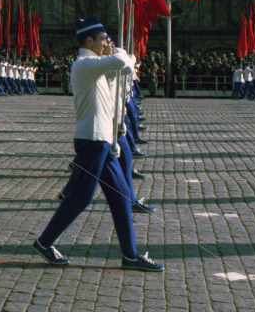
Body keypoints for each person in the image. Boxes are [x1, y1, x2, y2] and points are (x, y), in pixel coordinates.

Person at [32, 15, 162, 272]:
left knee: (122, 197)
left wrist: (117, 57)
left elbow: (123, 72)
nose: (106, 44)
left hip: (102, 139)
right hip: (92, 139)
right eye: (103, 39)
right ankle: (45, 243)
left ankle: (131, 255)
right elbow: (124, 60)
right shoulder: (85, 63)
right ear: (88, 40)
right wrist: (119, 50)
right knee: (81, 197)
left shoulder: (94, 65)